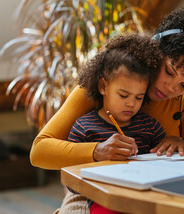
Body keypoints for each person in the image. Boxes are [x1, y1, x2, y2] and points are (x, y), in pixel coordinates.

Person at [30, 6, 184, 213]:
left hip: (161, 191)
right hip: (94, 193)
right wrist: (97, 151)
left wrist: (181, 144)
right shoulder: (107, 86)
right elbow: (39, 151)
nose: (171, 88)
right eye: (169, 71)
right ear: (157, 48)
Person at [67, 33, 166, 214]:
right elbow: (72, 182)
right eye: (123, 95)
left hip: (147, 197)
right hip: (105, 200)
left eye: (139, 97)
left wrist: (174, 142)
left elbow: (168, 161)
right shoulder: (84, 127)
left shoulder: (150, 126)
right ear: (103, 87)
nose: (131, 103)